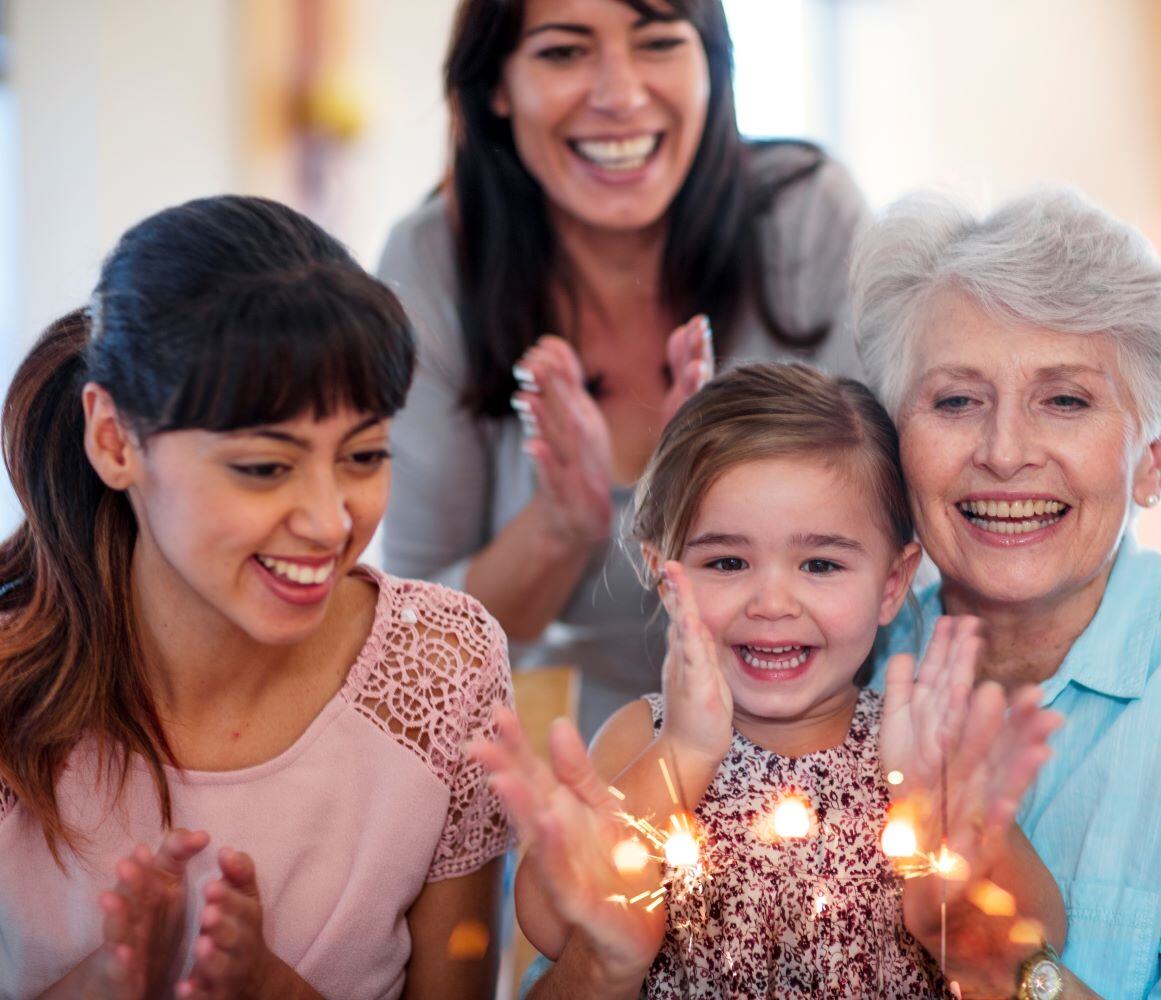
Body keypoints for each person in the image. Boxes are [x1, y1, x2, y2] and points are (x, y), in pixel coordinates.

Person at [0, 196, 511, 999]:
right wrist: (104, 985)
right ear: (114, 441)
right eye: (265, 467)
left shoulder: (442, 664)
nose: (330, 520)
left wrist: (275, 990)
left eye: (364, 455)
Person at [851, 189, 1161, 997]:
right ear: (896, 442)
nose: (1005, 453)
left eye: (1066, 400)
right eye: (957, 401)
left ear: (1153, 456)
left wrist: (1001, 958)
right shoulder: (838, 651)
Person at [474, 362, 1065, 999]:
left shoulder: (919, 750)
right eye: (728, 561)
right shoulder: (648, 736)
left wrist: (937, 807)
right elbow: (550, 921)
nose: (773, 602)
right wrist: (684, 753)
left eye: (820, 563)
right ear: (664, 577)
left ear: (892, 583)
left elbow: (1038, 935)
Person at [377, 0, 868, 738]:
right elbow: (420, 643)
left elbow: (888, 558)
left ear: (712, 64)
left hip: (795, 752)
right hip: (563, 760)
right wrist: (560, 528)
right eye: (564, 52)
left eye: (659, 42)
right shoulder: (435, 261)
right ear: (498, 86)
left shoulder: (806, 215)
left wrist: (712, 502)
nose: (620, 95)